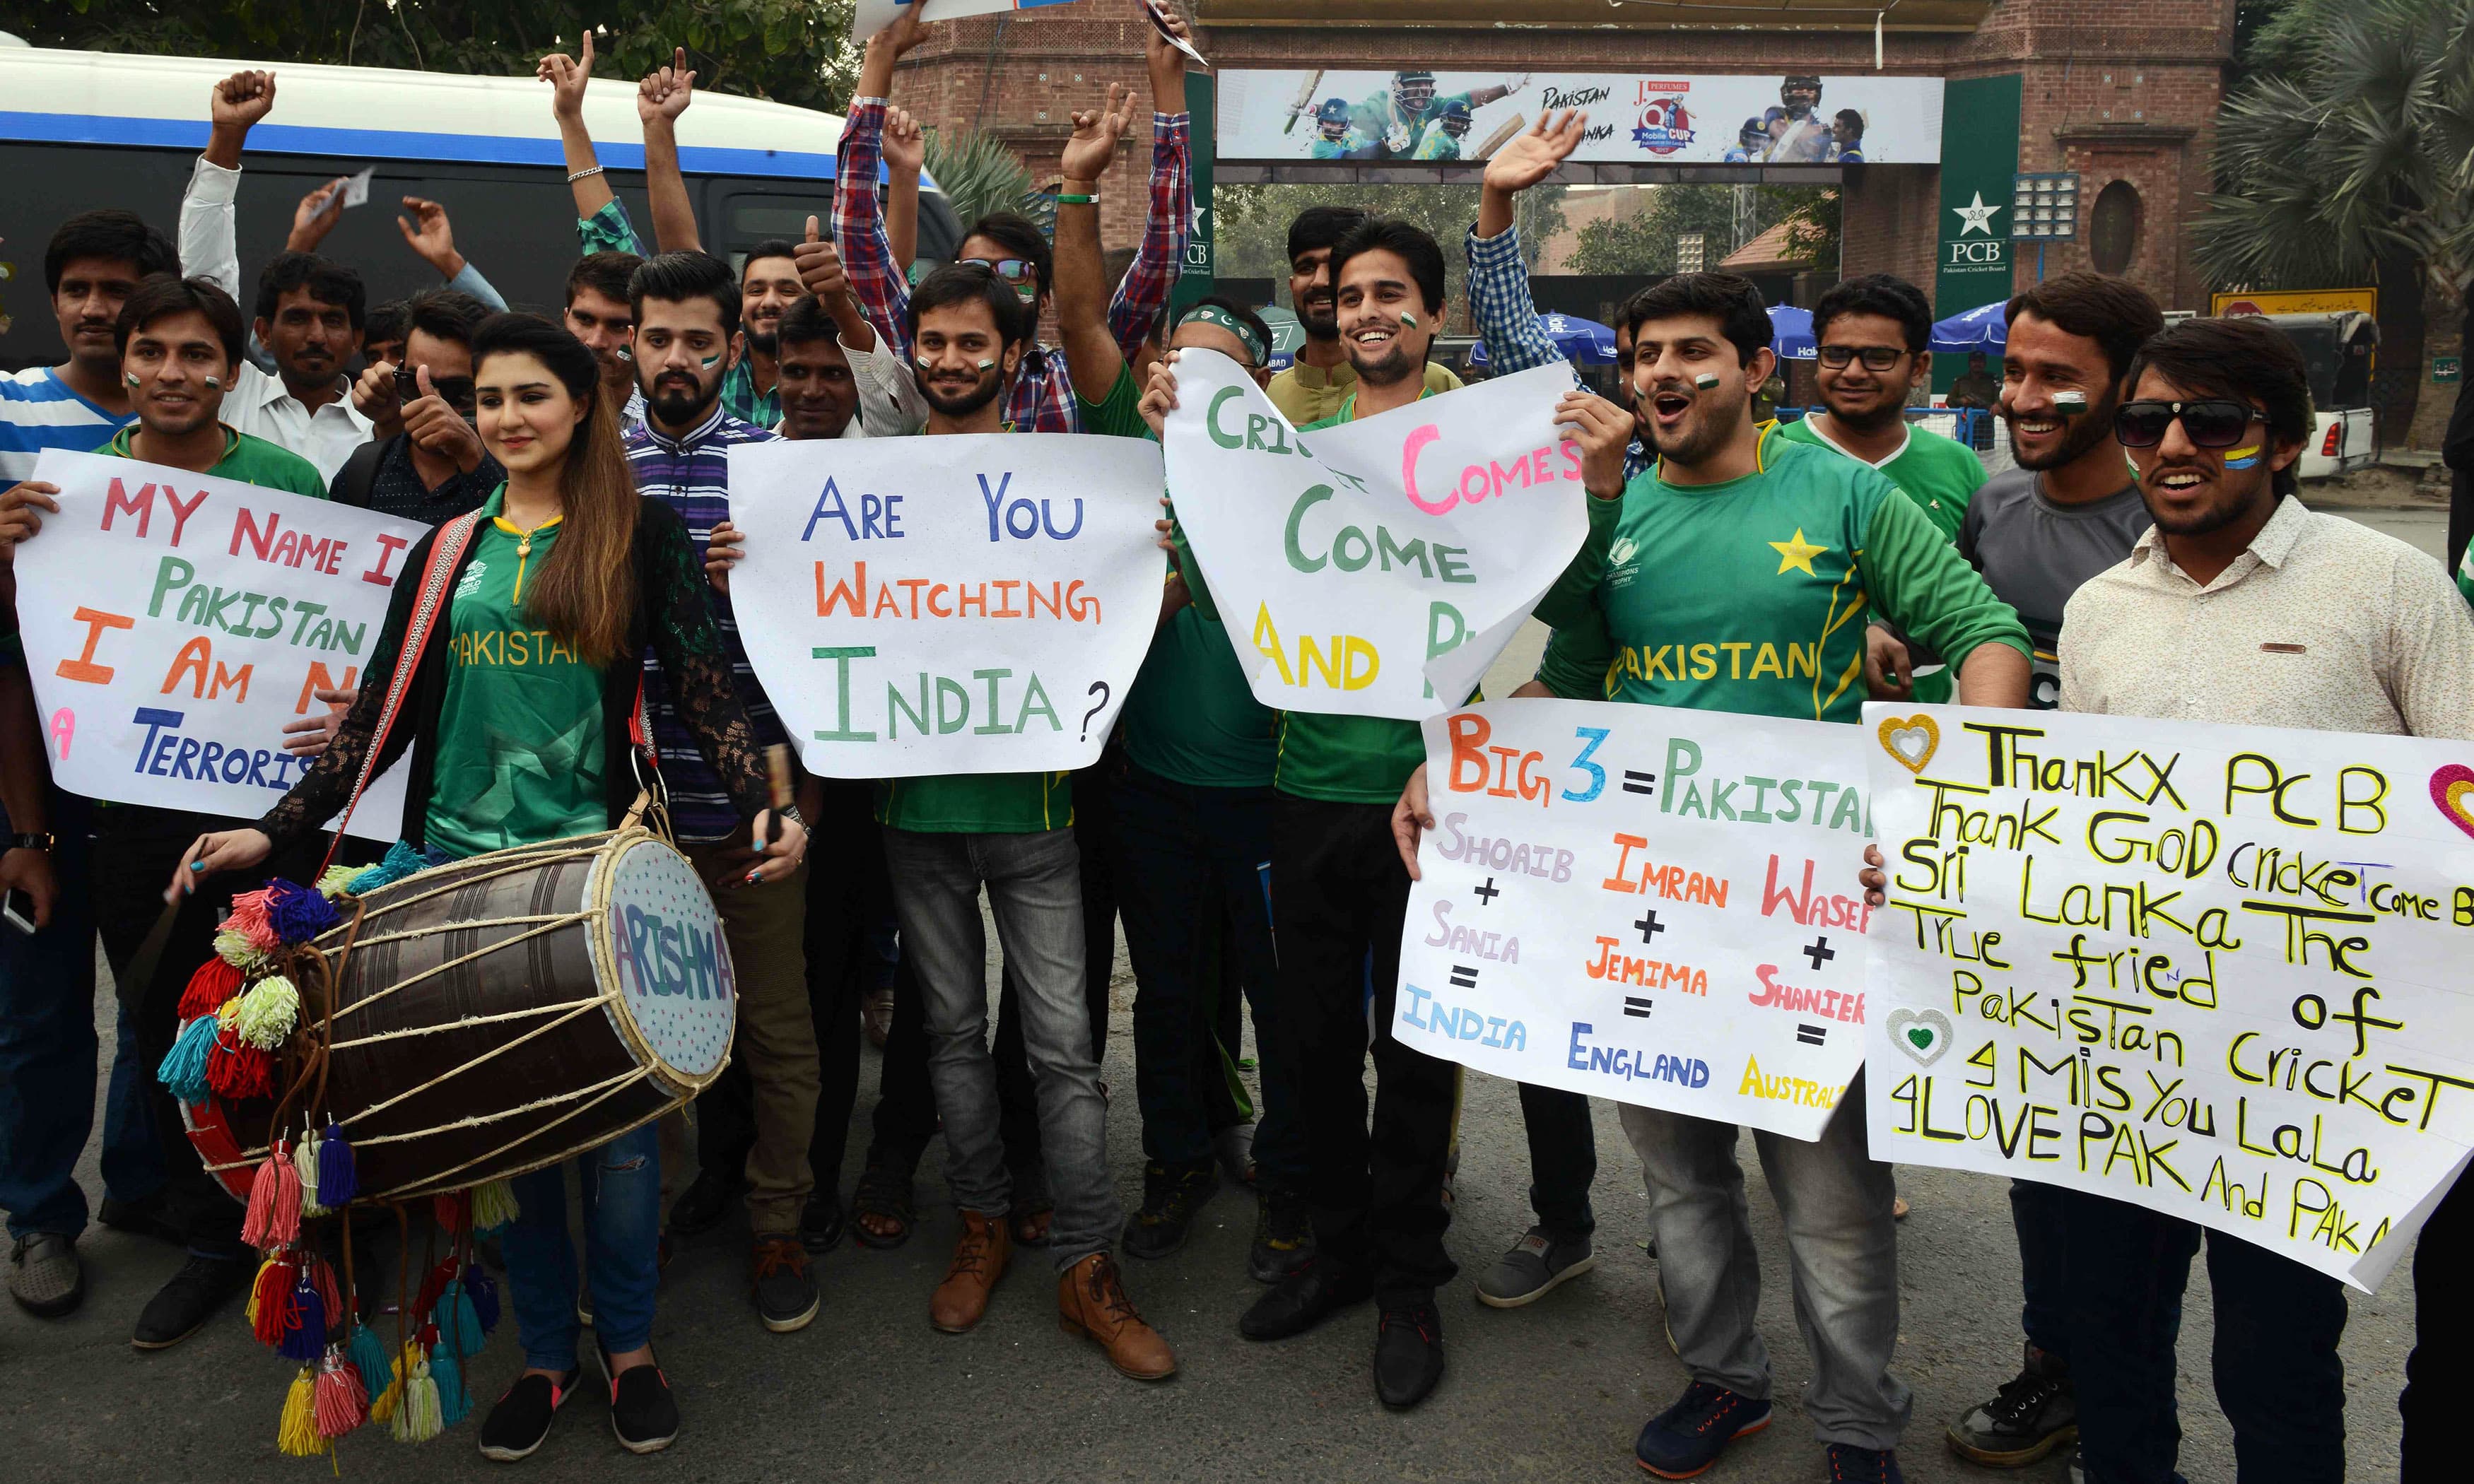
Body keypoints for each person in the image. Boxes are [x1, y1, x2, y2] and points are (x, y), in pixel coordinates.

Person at [1404, 271, 2032, 1482]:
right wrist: (1454, 774)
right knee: (1682, 1179)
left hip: (1808, 917)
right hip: (1654, 916)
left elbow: (1988, 634)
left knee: (1834, 1200)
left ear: (1758, 371)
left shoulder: (1844, 492)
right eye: (1642, 354)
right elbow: (1560, 687)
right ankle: (1725, 1381)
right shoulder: (1621, 510)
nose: (1659, 373)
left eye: (1693, 350)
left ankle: (1858, 1425)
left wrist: (1944, 804)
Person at [168, 310, 803, 1459]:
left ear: (580, 410)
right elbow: (381, 714)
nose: (508, 418)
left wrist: (765, 800)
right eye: (492, 398)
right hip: (450, 880)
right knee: (502, 1147)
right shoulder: (448, 547)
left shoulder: (642, 536)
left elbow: (705, 688)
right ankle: (549, 1359)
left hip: (587, 880)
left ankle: (629, 1348)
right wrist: (273, 832)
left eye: (532, 397)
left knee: (615, 1147)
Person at [1872, 314, 2474, 1484]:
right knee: (2110, 1347)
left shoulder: (2389, 587)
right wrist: (1936, 865)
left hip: (2299, 1084)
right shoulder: (2102, 609)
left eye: (2215, 422)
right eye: (2150, 421)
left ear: (2289, 444)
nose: (2176, 446)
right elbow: (2080, 830)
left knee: (2276, 1363)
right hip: (2125, 1065)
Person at [1141, 213, 1627, 1409]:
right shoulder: (1294, 436)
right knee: (1307, 1056)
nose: (1367, 311)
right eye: (1351, 294)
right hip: (1300, 797)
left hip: (1434, 804)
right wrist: (1185, 470)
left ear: (1429, 310)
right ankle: (1341, 1254)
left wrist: (1599, 491)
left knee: (1415, 1060)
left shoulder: (1480, 438)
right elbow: (1231, 598)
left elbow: (1577, 602)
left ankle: (1410, 1279)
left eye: (1391, 292)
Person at [844, 247, 1174, 1379]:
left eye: (969, 343)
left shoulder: (1062, 482)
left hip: (1035, 809)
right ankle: (980, 1224)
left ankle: (1088, 1263)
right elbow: (807, 602)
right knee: (945, 1039)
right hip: (912, 812)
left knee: (1064, 1051)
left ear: (1010, 354)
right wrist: (753, 562)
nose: (946, 361)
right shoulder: (864, 487)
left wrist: (1146, 575)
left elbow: (1117, 599)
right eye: (929, 343)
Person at [0, 273, 328, 1350]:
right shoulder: (68, 493)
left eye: (199, 355)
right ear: (124, 363)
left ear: (234, 374)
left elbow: (338, 638)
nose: (174, 373)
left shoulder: (285, 480)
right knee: (167, 1034)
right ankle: (206, 1241)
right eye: (154, 352)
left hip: (263, 812)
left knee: (277, 1023)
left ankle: (298, 1222)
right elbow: (19, 677)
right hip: (129, 821)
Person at [1928, 269, 2162, 1475]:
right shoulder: (1993, 505)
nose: (2024, 395)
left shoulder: (2170, 520)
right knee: (2040, 1156)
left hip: (2149, 901)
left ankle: (2125, 1405)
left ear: (2127, 389)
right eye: (2015, 370)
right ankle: (2051, 1370)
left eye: (2056, 376)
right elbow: (1953, 639)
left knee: (2138, 1184)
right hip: (2014, 893)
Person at [618, 251, 822, 1333]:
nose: (680, 359)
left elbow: (826, 639)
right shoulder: (593, 466)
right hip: (629, 819)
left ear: (733, 349)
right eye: (660, 339)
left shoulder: (783, 471)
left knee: (778, 1032)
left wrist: (770, 580)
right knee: (641, 1033)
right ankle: (636, 1224)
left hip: (752, 811)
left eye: (702, 341)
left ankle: (777, 1221)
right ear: (631, 346)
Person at [674, 283, 890, 1256]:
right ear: (765, 375)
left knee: (817, 993)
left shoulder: (888, 481)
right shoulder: (744, 475)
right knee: (719, 992)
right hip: (731, 779)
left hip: (837, 782)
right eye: (792, 372)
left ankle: (809, 1186)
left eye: (829, 374)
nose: (809, 389)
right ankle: (722, 1169)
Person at [831, 1, 1192, 434]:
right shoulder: (923, 357)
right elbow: (858, 241)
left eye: (1015, 271)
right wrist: (880, 55)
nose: (994, 282)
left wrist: (1168, 86)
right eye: (976, 269)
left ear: (1045, 299)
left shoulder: (1075, 376)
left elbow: (1162, 256)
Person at [1780, 273, 1985, 705]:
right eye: (1837, 354)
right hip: (1795, 726)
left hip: (1926, 729)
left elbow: (1978, 601)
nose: (1853, 372)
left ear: (1920, 367)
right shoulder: (1769, 456)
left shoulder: (1959, 467)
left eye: (1878, 357)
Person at [1265, 205, 1464, 425]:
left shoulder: (1447, 394)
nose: (1366, 312)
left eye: (1387, 295)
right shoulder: (1264, 397)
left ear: (1436, 315)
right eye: (1352, 299)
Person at [332, 288, 503, 524]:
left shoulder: (516, 472)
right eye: (414, 383)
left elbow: (527, 544)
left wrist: (471, 455)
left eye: (457, 391)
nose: (433, 402)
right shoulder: (364, 471)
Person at [1411, 100, 1476, 161]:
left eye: (1463, 122)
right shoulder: (1451, 145)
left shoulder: (1432, 135)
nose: (1459, 125)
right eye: (1456, 120)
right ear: (1445, 119)